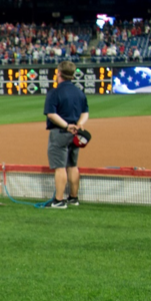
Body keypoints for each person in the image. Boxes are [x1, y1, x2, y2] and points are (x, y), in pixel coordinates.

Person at [44, 60, 89, 208]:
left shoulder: (54, 92)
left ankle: (59, 200)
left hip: (60, 132)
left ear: (59, 73)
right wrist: (79, 124)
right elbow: (85, 113)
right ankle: (73, 198)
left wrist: (66, 126)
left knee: (60, 167)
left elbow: (51, 114)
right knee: (72, 165)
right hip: (75, 134)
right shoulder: (79, 92)